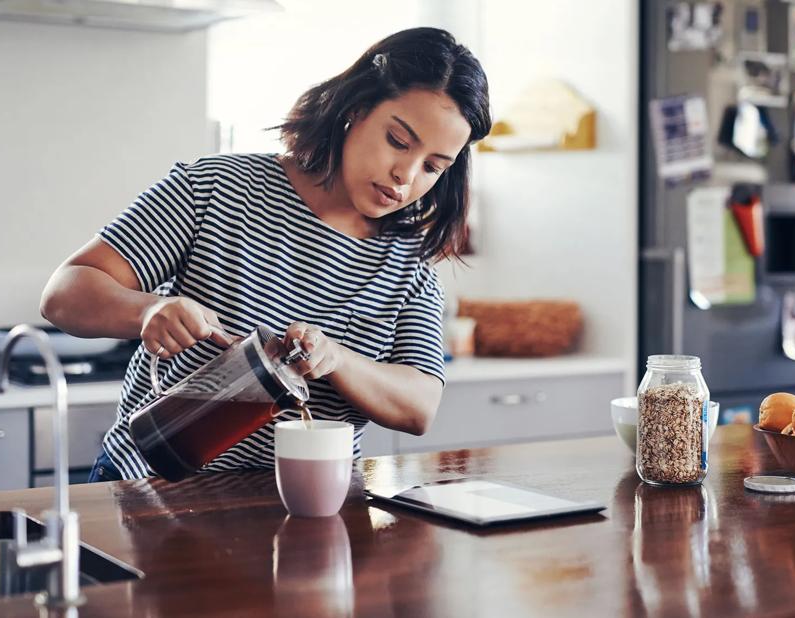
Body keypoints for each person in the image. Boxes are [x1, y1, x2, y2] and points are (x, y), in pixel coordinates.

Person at [40, 27, 492, 481]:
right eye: (397, 141)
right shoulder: (219, 188)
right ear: (355, 110)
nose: (405, 176)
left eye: (433, 166)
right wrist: (147, 310)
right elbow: (65, 293)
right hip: (149, 489)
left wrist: (337, 359)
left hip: (303, 506)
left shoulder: (409, 262)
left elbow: (419, 406)